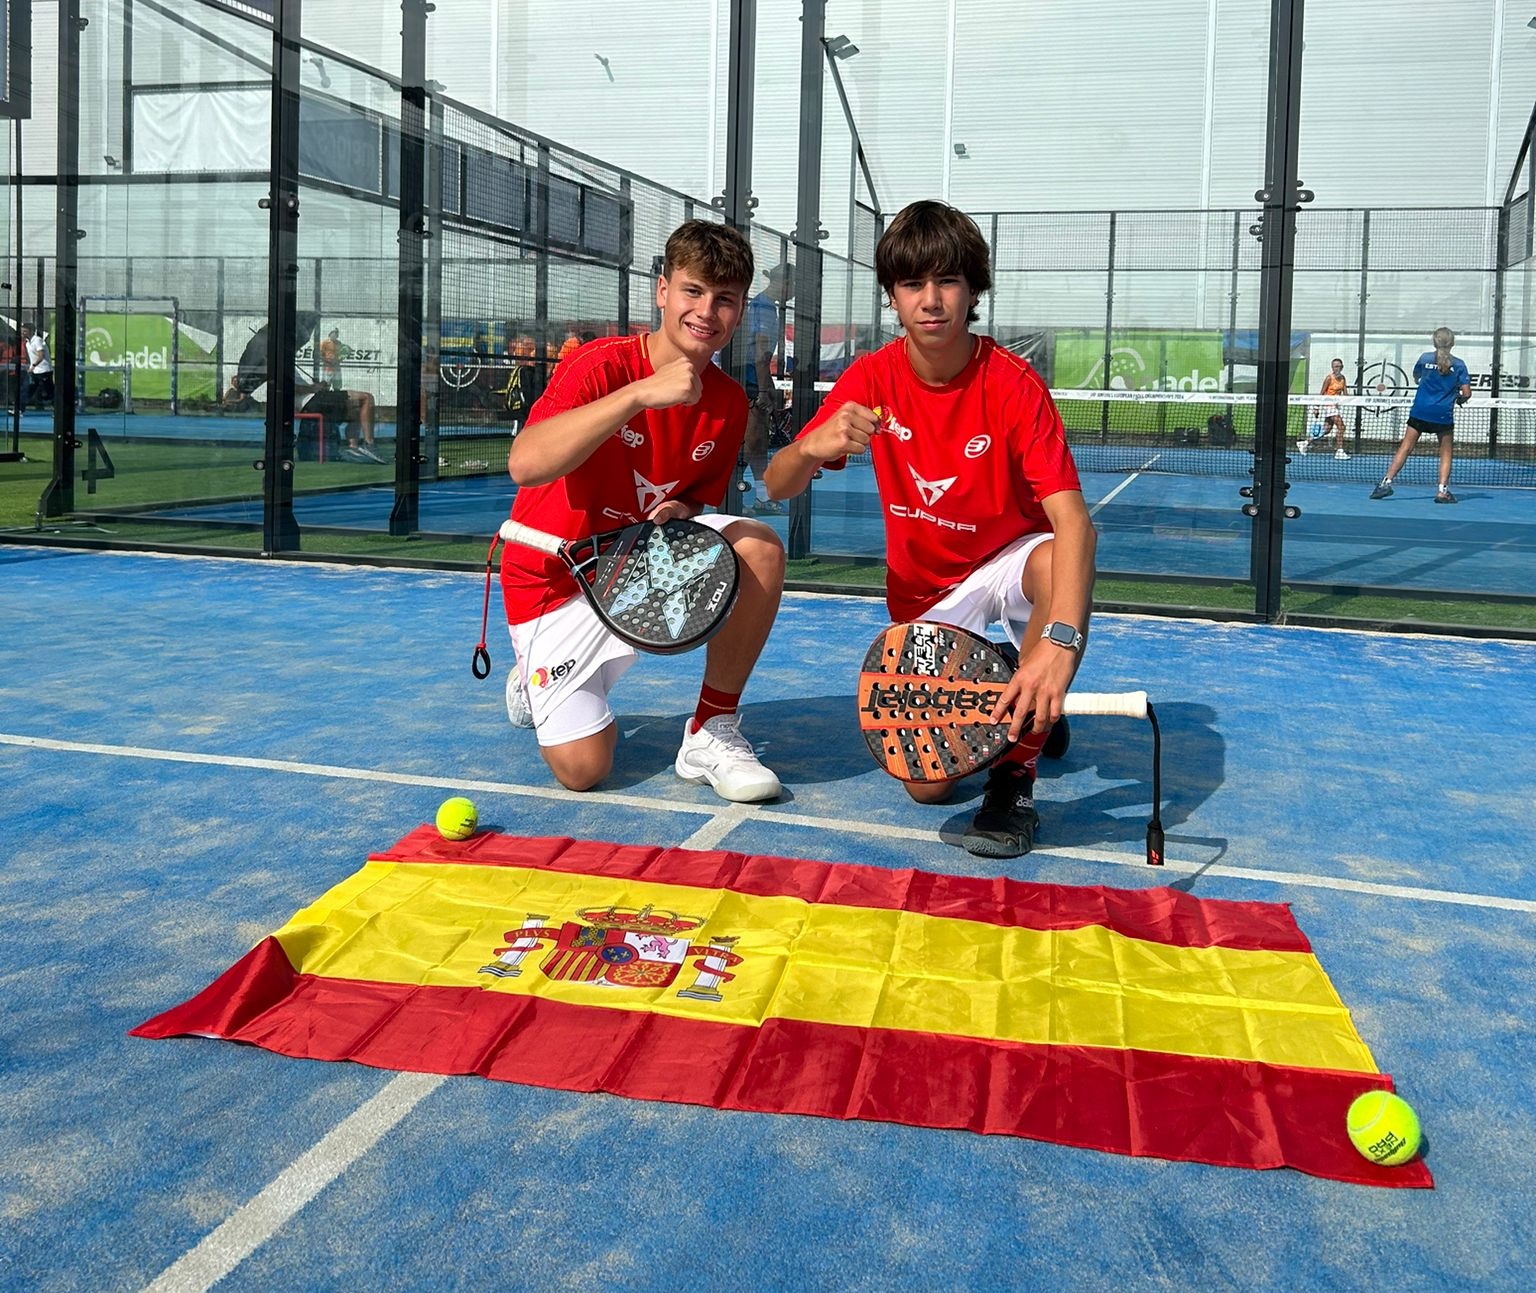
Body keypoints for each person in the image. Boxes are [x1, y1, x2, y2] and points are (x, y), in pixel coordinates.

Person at [764, 200, 1097, 860]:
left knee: (1057, 561)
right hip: (926, 598)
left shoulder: (1012, 384)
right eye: (914, 283)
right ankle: (1014, 685)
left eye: (947, 280)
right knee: (929, 786)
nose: (932, 299)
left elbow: (1075, 524)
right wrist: (809, 447)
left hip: (1008, 562)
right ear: (893, 295)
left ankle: (1015, 777)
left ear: (973, 288)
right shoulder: (870, 378)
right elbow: (775, 484)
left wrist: (1061, 640)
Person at [500, 219, 787, 803]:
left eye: (724, 299)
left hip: (634, 565)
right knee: (584, 770)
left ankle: (711, 729)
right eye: (692, 291)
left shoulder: (729, 402)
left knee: (758, 546)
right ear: (662, 291)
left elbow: (694, 496)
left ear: (738, 312)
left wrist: (683, 505)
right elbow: (525, 465)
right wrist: (638, 394)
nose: (707, 311)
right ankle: (535, 680)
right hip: (553, 579)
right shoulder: (601, 366)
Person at [1370, 327, 1470, 504]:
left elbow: (1417, 376)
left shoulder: (1424, 359)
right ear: (1452, 343)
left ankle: (1385, 483)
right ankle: (1442, 492)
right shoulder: (1459, 365)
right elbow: (1467, 392)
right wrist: (1460, 398)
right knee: (1445, 453)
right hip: (1442, 415)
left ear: (1434, 342)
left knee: (1405, 447)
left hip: (1420, 411)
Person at [741, 262, 794, 515]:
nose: (794, 291)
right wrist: (763, 390)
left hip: (754, 381)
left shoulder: (766, 306)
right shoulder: (763, 307)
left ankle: (760, 497)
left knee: (756, 444)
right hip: (750, 384)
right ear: (785, 284)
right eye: (793, 286)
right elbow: (761, 351)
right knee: (751, 444)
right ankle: (739, 500)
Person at [1301, 357, 1351, 459]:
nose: (1337, 368)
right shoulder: (1329, 378)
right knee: (1341, 426)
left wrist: (1350, 399)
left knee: (1327, 429)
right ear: (1332, 367)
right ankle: (1339, 451)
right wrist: (1316, 407)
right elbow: (1322, 392)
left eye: (1339, 366)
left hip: (1335, 406)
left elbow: (1345, 392)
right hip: (1328, 405)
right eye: (1335, 366)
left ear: (1342, 367)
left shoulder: (1343, 378)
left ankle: (1305, 443)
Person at [21, 325, 54, 408]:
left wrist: (33, 366)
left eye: (25, 331)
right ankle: (19, 409)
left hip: (44, 371)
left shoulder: (37, 340)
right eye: (22, 331)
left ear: (31, 331)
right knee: (28, 390)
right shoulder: (27, 343)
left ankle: (59, 410)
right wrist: (32, 367)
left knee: (50, 392)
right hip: (35, 372)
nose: (23, 333)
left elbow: (41, 355)